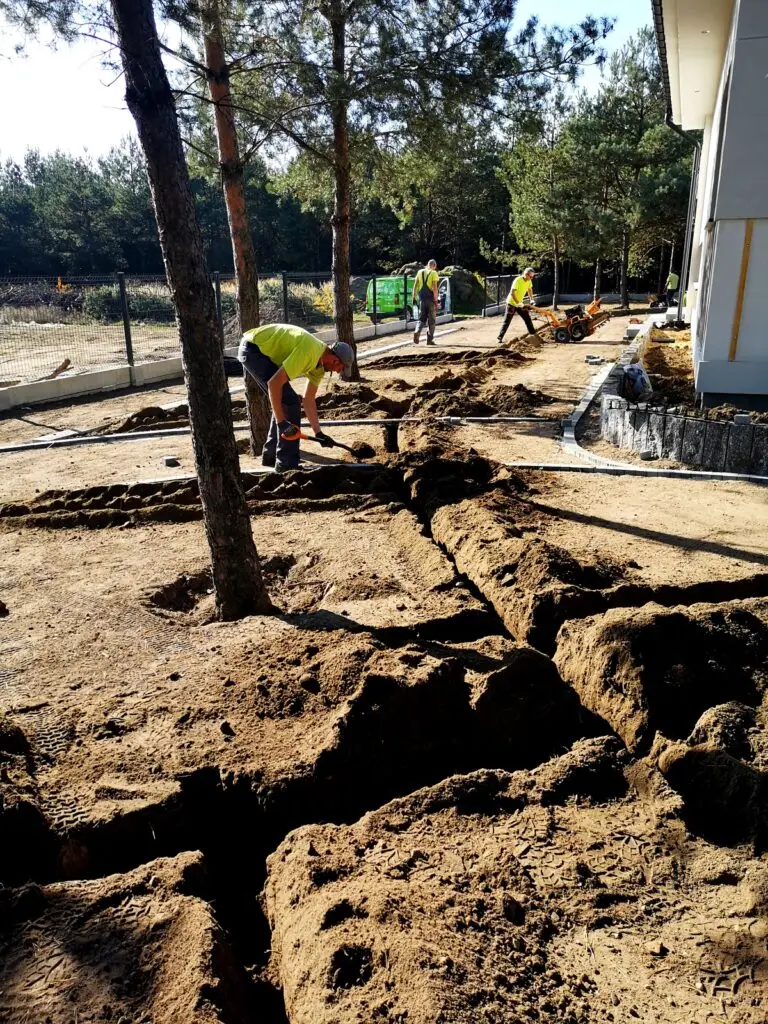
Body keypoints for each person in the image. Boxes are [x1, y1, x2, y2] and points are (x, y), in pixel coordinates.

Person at [238, 323, 354, 472]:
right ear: (335, 360)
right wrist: (281, 423)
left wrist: (319, 433)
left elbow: (308, 399)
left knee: (286, 400)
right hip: (253, 349)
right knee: (290, 401)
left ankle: (271, 456)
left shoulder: (320, 367)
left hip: (263, 353)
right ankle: (287, 465)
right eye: (340, 368)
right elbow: (274, 384)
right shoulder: (309, 352)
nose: (338, 372)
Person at [497, 267, 536, 343]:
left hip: (519, 303)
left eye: (532, 277)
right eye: (530, 276)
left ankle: (533, 334)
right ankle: (500, 337)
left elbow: (530, 289)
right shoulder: (518, 280)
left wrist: (531, 299)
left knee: (527, 318)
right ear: (526, 274)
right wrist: (518, 303)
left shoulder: (529, 281)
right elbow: (512, 293)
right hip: (511, 303)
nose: (531, 278)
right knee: (507, 321)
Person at [412, 259, 440, 345]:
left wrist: (413, 297)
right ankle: (429, 340)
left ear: (427, 265)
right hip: (431, 300)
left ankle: (417, 331)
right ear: (434, 266)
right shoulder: (434, 273)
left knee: (421, 318)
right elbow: (435, 288)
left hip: (422, 299)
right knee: (432, 321)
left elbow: (415, 285)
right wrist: (436, 301)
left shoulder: (420, 272)